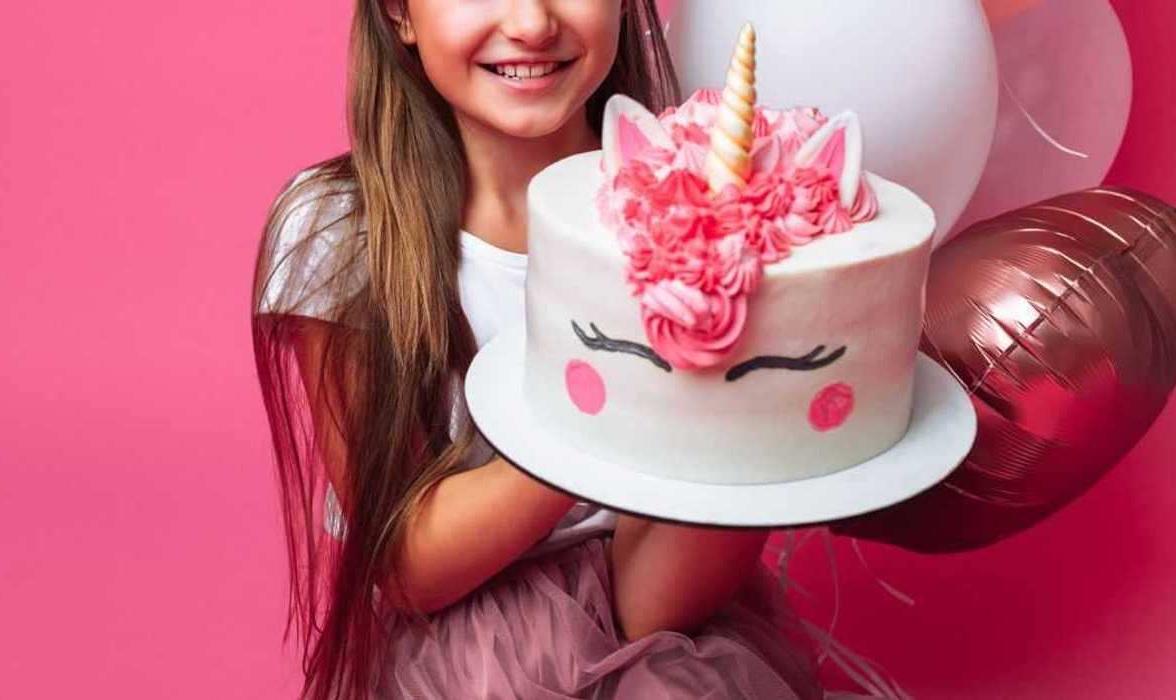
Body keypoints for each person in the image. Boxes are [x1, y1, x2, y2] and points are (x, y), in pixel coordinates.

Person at [251, 2, 900, 698]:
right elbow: (408, 568)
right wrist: (611, 400)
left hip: (664, 635)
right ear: (398, 12)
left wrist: (748, 377)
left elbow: (652, 608)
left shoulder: (687, 220)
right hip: (458, 658)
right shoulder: (341, 233)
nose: (531, 23)